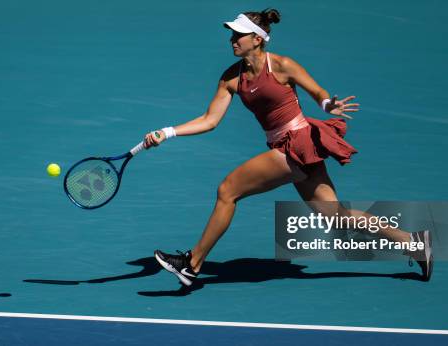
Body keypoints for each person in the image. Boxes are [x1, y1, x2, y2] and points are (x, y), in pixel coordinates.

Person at [143, 9, 433, 286]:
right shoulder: (231, 78)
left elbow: (318, 93)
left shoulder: (282, 65)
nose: (232, 40)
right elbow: (209, 120)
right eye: (232, 35)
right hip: (292, 147)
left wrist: (329, 105)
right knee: (335, 217)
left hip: (298, 143)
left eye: (238, 35)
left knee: (227, 191)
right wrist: (167, 132)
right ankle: (414, 243)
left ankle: (192, 264)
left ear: (257, 39)